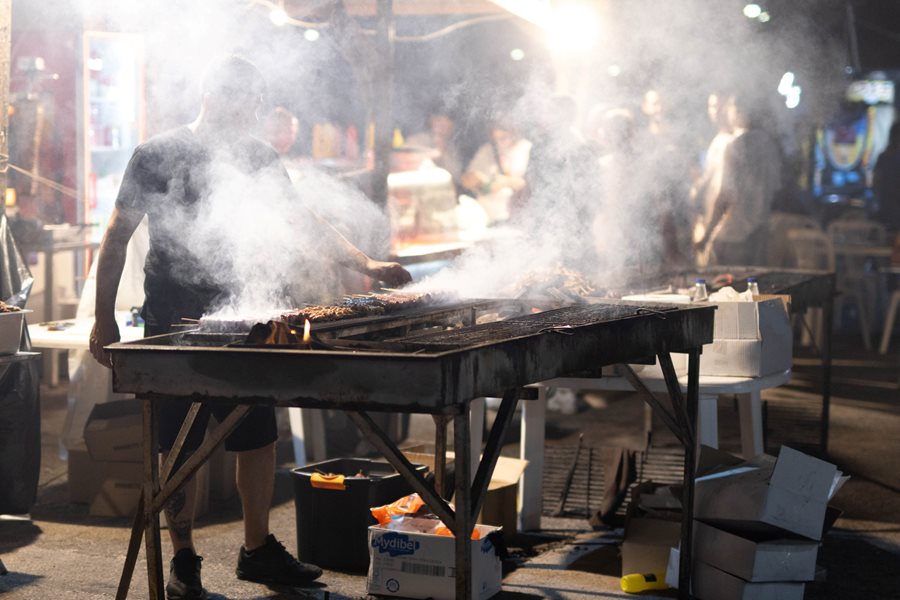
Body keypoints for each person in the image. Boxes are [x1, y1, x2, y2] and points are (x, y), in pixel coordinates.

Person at [89, 55, 411, 600]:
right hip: (174, 325)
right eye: (245, 104)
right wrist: (102, 318)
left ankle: (257, 550)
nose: (251, 115)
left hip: (247, 320)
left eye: (256, 105)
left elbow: (300, 220)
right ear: (214, 95)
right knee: (179, 449)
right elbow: (118, 235)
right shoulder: (156, 154)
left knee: (257, 438)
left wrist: (367, 265)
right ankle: (183, 558)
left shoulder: (257, 155)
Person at [695, 91, 782, 266]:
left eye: (731, 107)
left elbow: (724, 196)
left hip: (733, 235)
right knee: (756, 290)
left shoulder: (735, 146)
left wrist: (707, 235)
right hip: (760, 234)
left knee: (727, 289)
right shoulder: (768, 144)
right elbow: (776, 188)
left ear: (740, 111)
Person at [460, 120, 531, 224]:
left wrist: (505, 182)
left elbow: (529, 184)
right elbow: (466, 180)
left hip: (515, 215)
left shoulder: (527, 149)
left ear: (515, 133)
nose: (500, 143)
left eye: (504, 138)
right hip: (486, 216)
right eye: (496, 139)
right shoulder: (488, 150)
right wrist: (475, 179)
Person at [405, 107, 463, 189]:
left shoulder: (452, 149)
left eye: (446, 121)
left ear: (453, 126)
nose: (440, 126)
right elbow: (405, 172)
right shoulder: (415, 141)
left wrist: (442, 153)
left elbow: (457, 179)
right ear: (430, 121)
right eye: (438, 120)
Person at [874, 122, 900, 235]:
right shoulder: (885, 158)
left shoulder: (883, 157)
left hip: (885, 209)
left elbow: (876, 183)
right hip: (889, 210)